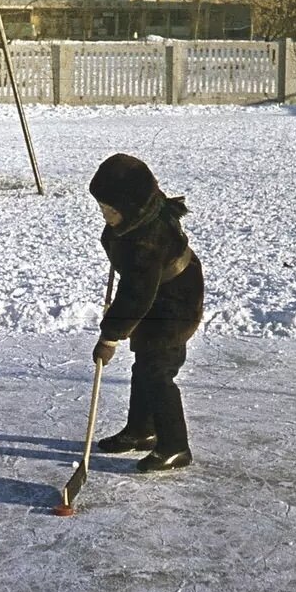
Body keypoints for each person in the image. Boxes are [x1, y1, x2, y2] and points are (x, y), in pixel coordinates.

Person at [88, 153, 204, 473]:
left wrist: (109, 337)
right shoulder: (139, 217)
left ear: (132, 205)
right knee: (145, 366)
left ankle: (175, 446)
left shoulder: (146, 242)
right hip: (158, 290)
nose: (105, 215)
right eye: (103, 208)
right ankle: (142, 430)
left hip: (175, 301)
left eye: (111, 210)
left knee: (158, 371)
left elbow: (136, 294)